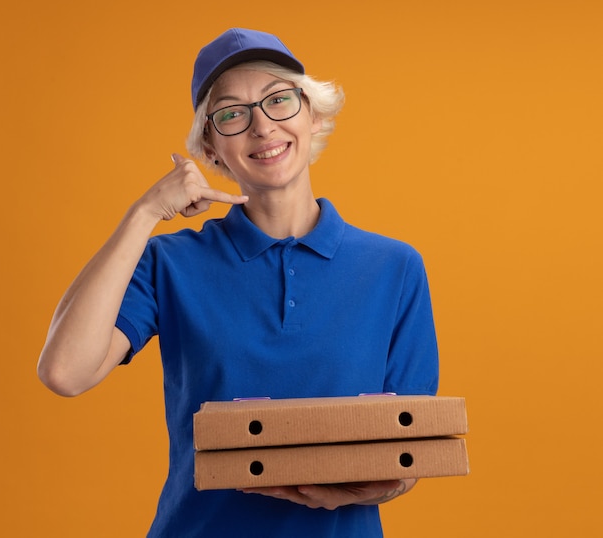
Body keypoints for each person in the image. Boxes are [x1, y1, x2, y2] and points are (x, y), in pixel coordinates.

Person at [38, 28, 439, 538]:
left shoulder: (395, 268)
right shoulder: (169, 264)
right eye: (232, 113)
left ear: (312, 116)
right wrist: (143, 215)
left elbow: (410, 450)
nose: (262, 127)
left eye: (279, 101)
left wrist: (366, 489)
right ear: (210, 147)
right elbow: (64, 373)